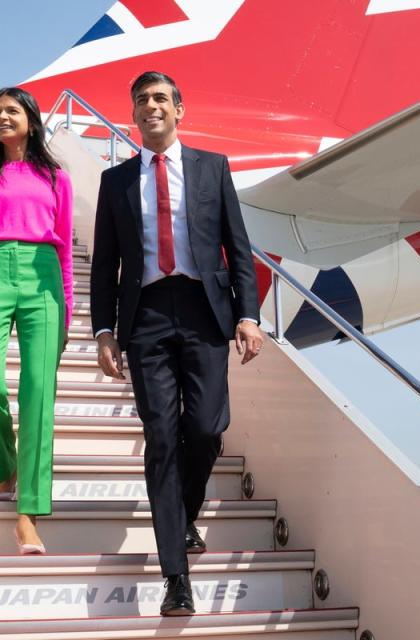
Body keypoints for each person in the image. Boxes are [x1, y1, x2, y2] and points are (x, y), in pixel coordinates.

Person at [90, 71, 264, 615]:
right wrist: (103, 331)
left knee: (208, 429)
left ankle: (183, 516)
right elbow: (104, 266)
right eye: (141, 100)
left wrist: (249, 315)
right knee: (162, 439)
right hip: (145, 319)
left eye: (161, 98)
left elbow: (238, 248)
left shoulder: (212, 169)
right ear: (134, 115)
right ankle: (176, 578)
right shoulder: (115, 181)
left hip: (204, 312)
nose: (151, 106)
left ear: (179, 109)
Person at [0, 87, 73, 555]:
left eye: (12, 110)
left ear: (31, 119)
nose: (2, 117)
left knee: (39, 395)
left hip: (43, 276)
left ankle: (27, 516)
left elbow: (64, 245)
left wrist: (65, 306)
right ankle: (4, 462)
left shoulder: (55, 177)